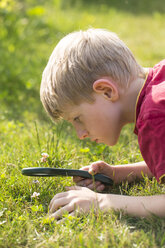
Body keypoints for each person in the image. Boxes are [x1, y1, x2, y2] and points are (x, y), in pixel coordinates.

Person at [40, 28, 165, 219]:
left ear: (106, 91)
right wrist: (117, 173)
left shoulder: (155, 116)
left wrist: (102, 202)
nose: (80, 134)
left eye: (77, 118)